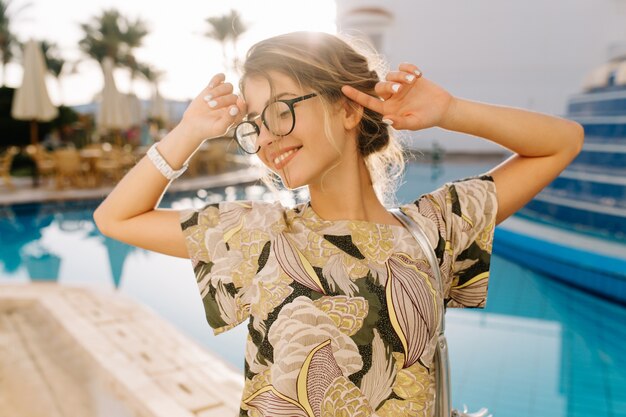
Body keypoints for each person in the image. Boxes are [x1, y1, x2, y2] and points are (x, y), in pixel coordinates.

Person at [93, 31, 584, 416]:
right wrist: (189, 131)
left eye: (281, 111)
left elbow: (563, 140)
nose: (266, 138)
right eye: (255, 124)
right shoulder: (258, 235)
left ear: (348, 108)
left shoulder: (437, 228)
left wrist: (450, 112)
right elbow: (115, 217)